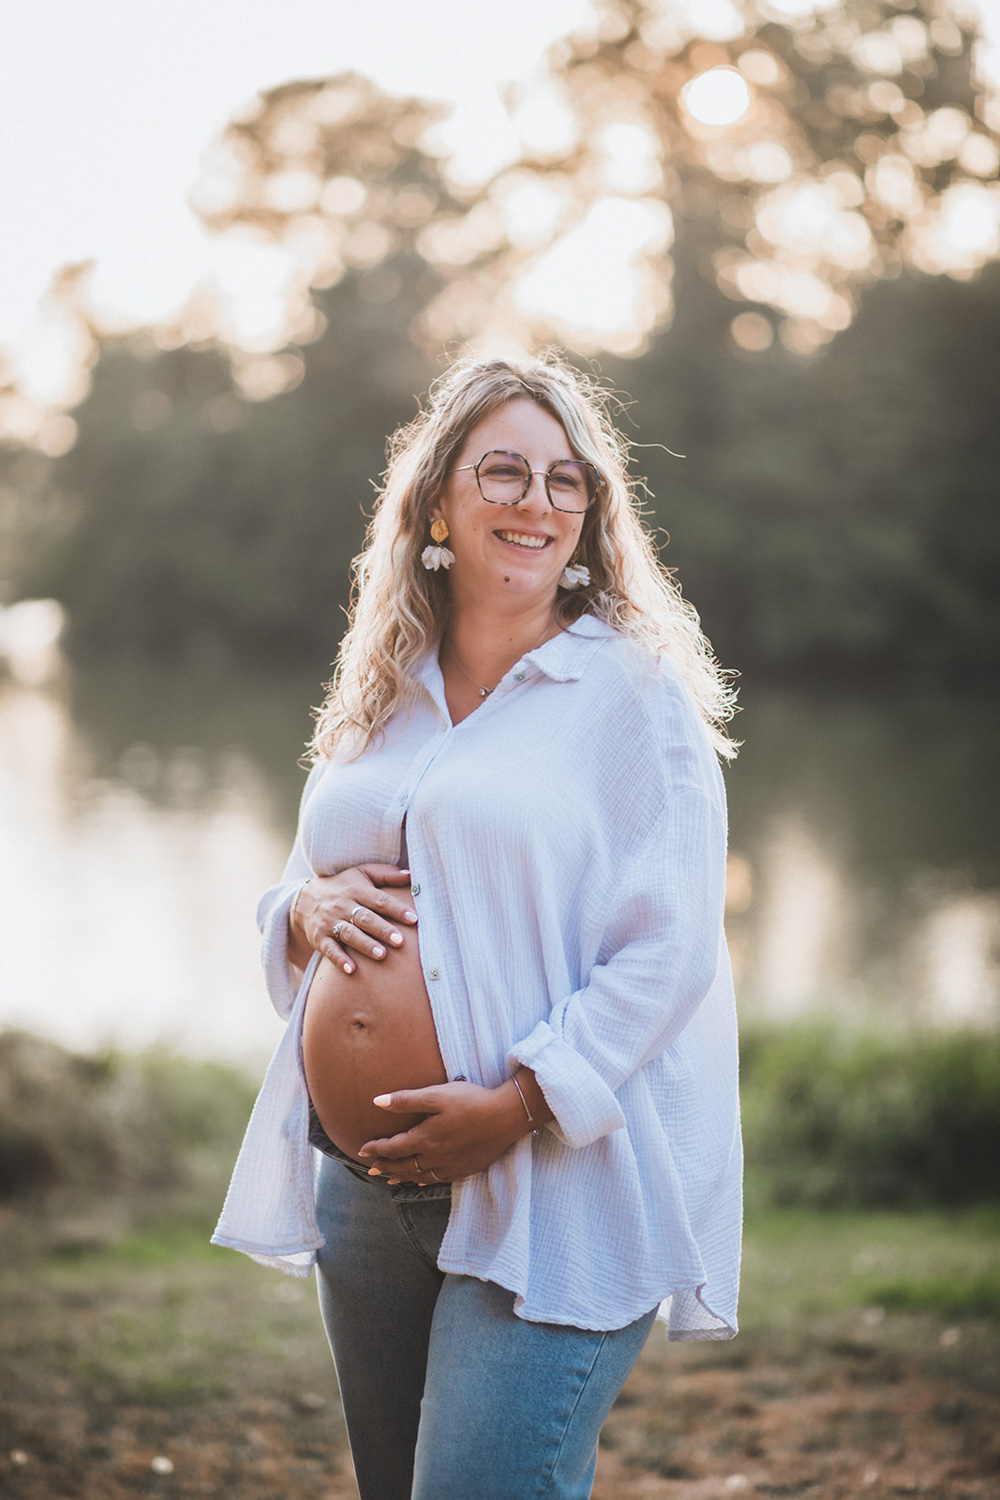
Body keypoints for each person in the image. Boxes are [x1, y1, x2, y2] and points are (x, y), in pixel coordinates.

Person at [213, 354, 742, 1500]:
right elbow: (307, 886)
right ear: (438, 501)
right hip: (361, 1190)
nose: (535, 501)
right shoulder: (381, 682)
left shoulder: (633, 696)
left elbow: (671, 950)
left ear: (590, 514)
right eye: (503, 471)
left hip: (550, 1180)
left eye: (564, 480)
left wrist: (518, 1104)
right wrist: (298, 911)